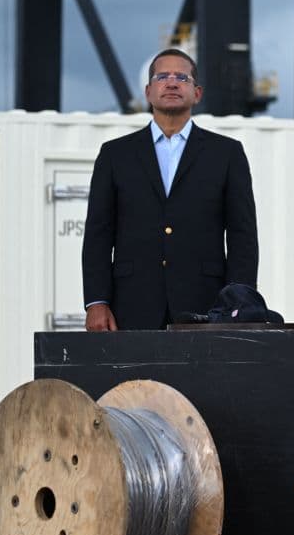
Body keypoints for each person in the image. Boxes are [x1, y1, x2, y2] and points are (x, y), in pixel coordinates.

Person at [82, 48, 259, 330]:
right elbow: (98, 236)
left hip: (207, 304)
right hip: (130, 305)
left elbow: (243, 235)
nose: (172, 82)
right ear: (148, 91)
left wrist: (240, 302)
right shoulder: (115, 155)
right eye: (162, 76)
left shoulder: (226, 153)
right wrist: (96, 302)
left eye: (182, 77)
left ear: (197, 93)